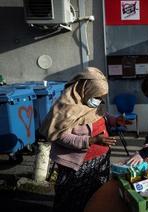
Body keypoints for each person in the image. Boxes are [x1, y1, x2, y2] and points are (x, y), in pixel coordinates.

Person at [39, 67, 124, 212]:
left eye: (101, 97)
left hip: (100, 160)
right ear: (85, 89)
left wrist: (114, 120)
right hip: (77, 166)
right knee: (73, 201)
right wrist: (91, 140)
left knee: (96, 198)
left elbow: (100, 116)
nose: (99, 101)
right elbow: (59, 136)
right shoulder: (65, 109)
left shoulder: (89, 103)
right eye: (97, 97)